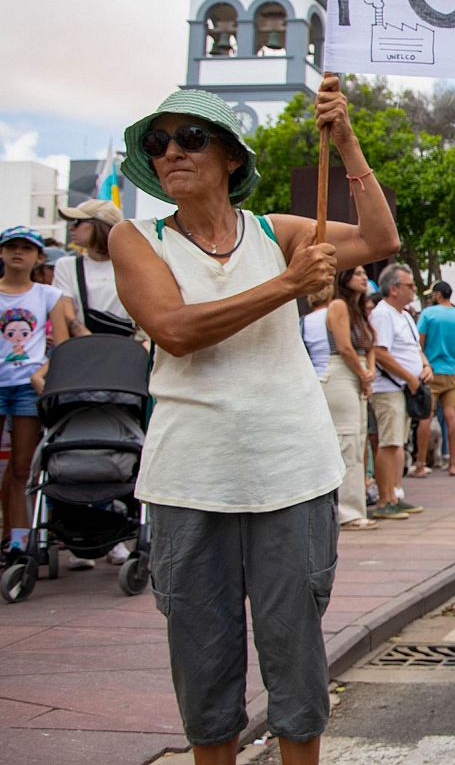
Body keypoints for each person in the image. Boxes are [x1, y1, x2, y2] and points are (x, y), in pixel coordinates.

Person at [107, 77, 399, 765]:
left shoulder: (279, 231)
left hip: (291, 473)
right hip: (189, 480)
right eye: (158, 142)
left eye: (191, 138)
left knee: (296, 661)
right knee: (205, 670)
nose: (172, 151)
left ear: (230, 157)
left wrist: (348, 141)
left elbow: (381, 237)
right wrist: (288, 286)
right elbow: (175, 330)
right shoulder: (135, 237)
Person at [1, 227, 71, 565]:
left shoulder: (48, 295)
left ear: (38, 257)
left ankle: (18, 541)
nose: (18, 253)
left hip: (29, 387)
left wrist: (41, 373)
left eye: (26, 248)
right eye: (11, 247)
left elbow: (61, 343)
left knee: (21, 467)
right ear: (1, 253)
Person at [369, 264, 428, 520]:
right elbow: (380, 352)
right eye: (410, 286)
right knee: (389, 442)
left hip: (404, 387)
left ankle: (394, 493)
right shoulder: (383, 314)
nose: (414, 290)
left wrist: (425, 367)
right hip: (390, 388)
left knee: (397, 442)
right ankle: (385, 500)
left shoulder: (403, 315)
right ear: (394, 289)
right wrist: (409, 378)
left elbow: (414, 348)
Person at [325, 267, 378, 529]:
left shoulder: (360, 311)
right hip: (341, 372)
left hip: (359, 372)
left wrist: (368, 372)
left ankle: (354, 507)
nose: (363, 277)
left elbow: (370, 346)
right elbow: (344, 346)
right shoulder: (337, 306)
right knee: (347, 441)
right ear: (345, 279)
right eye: (357, 273)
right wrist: (363, 373)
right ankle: (346, 511)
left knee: (358, 442)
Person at [54, 198, 134, 338]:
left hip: (128, 349)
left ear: (98, 225)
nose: (71, 228)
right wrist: (91, 342)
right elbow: (66, 308)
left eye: (77, 222)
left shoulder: (132, 266)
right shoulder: (67, 265)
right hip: (85, 349)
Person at [416, 281, 455, 476]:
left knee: (426, 416)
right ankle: (454, 464)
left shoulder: (428, 314)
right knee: (451, 416)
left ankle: (421, 464)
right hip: (453, 371)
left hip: (430, 370)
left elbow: (418, 343)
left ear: (438, 294)